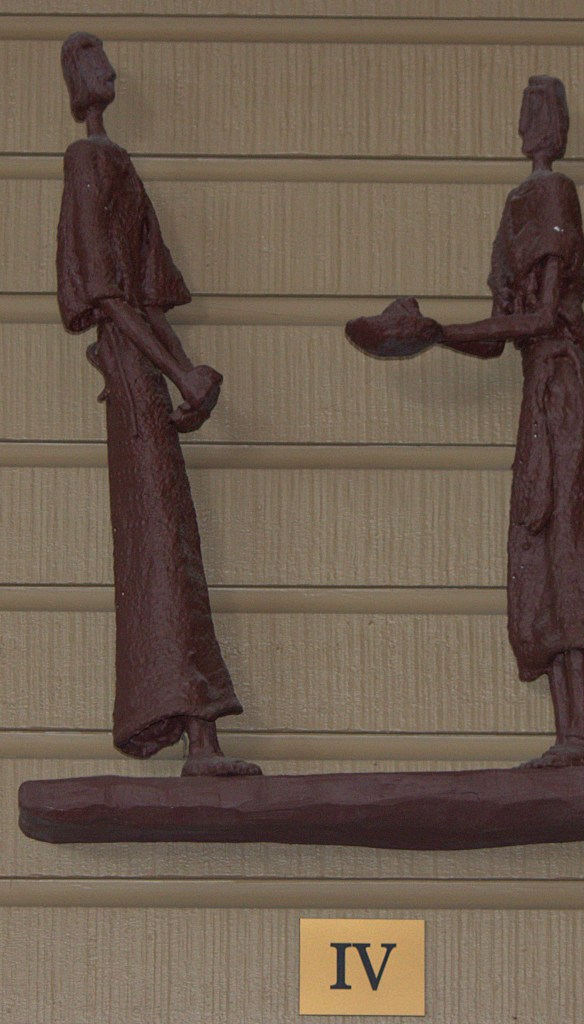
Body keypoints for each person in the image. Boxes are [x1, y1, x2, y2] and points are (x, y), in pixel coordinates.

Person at [347, 76, 584, 768]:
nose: (540, 124)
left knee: (564, 545)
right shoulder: (516, 207)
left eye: (548, 111)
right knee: (537, 547)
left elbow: (540, 318)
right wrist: (432, 335)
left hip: (561, 393)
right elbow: (500, 337)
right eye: (532, 111)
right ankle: (568, 733)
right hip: (539, 396)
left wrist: (441, 330)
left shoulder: (553, 195)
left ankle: (580, 734)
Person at [57, 32, 261, 777]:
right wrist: (179, 372)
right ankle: (193, 731)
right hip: (132, 371)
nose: (106, 73)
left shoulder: (111, 162)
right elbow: (107, 294)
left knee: (170, 544)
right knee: (160, 544)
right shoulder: (88, 161)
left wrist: (184, 375)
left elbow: (138, 293)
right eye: (91, 63)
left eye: (103, 61)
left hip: (144, 368)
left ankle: (198, 732)